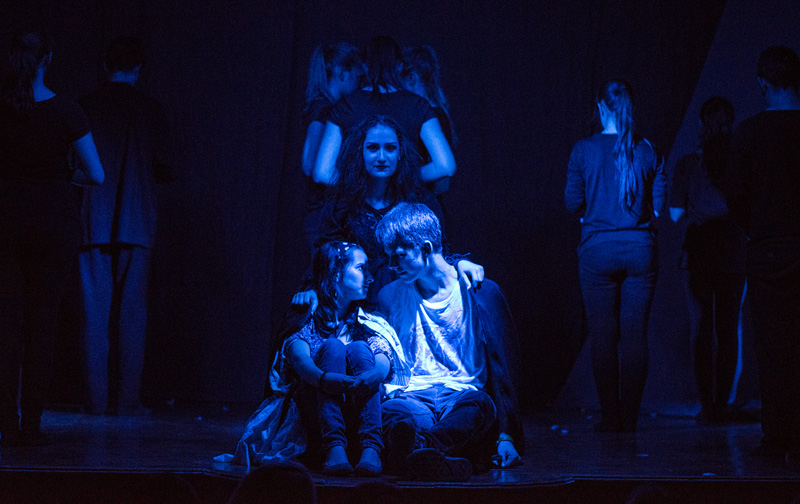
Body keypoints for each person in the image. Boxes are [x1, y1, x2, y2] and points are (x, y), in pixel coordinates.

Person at [0, 31, 104, 446]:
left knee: (6, 329)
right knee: (41, 328)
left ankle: (6, 425)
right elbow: (96, 174)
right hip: (53, 225)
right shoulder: (66, 110)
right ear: (47, 60)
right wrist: (61, 175)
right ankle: (30, 426)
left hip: (6, 224)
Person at [375, 203, 523, 481]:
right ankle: (437, 460)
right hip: (413, 396)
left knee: (480, 407)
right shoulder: (390, 296)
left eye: (400, 256)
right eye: (389, 257)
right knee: (393, 415)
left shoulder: (479, 293)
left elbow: (505, 369)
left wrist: (507, 435)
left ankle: (421, 449)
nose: (392, 266)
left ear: (426, 248)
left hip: (461, 396)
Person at [295, 115, 481, 312]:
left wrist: (459, 262)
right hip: (358, 303)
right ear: (361, 152)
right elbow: (326, 254)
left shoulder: (420, 200)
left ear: (400, 153)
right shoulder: (341, 203)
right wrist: (311, 288)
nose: (382, 157)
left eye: (390, 148)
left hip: (411, 301)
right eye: (373, 148)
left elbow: (437, 249)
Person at [77, 36, 173, 417]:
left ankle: (96, 401)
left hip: (93, 221)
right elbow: (166, 166)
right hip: (138, 220)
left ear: (105, 65)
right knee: (133, 315)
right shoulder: (150, 109)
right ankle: (128, 400)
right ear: (139, 69)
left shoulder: (84, 106)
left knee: (93, 315)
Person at [564, 79, 665, 432]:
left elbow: (572, 203)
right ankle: (630, 418)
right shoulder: (648, 149)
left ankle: (611, 417)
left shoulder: (583, 150)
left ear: (601, 107)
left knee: (603, 336)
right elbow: (658, 207)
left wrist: (593, 211)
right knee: (635, 335)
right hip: (640, 250)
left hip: (597, 251)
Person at [725, 46, 800, 457]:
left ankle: (777, 436)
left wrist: (759, 228)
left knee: (772, 346)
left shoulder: (750, 132)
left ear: (762, 83)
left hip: (769, 249)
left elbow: (736, 195)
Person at [275, 241, 405, 476]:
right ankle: (333, 447)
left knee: (359, 349)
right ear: (336, 272)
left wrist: (374, 376)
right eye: (361, 268)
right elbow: (299, 357)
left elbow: (382, 353)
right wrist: (324, 379)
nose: (370, 278)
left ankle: (371, 448)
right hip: (316, 420)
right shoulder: (308, 314)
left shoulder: (365, 320)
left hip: (355, 415)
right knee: (334, 346)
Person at [669, 97, 746, 424]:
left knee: (700, 329)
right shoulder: (741, 163)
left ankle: (707, 406)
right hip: (733, 252)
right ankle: (723, 404)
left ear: (701, 125)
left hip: (699, 252)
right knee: (728, 329)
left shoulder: (688, 165)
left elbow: (675, 214)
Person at [312, 36, 455, 186]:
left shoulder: (346, 106)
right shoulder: (419, 106)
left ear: (365, 67)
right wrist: (403, 181)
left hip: (360, 200)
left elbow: (322, 172)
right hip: (405, 199)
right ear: (399, 66)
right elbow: (445, 166)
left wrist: (362, 186)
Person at [301, 43, 362, 250]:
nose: (359, 84)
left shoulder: (322, 108)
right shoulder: (324, 110)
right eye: (357, 77)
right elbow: (311, 165)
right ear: (343, 73)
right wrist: (356, 184)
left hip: (324, 216)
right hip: (322, 218)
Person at [401, 45, 456, 197]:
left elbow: (442, 183)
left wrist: (401, 179)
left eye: (398, 81)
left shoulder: (433, 116)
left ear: (411, 78)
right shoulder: (432, 113)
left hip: (424, 204)